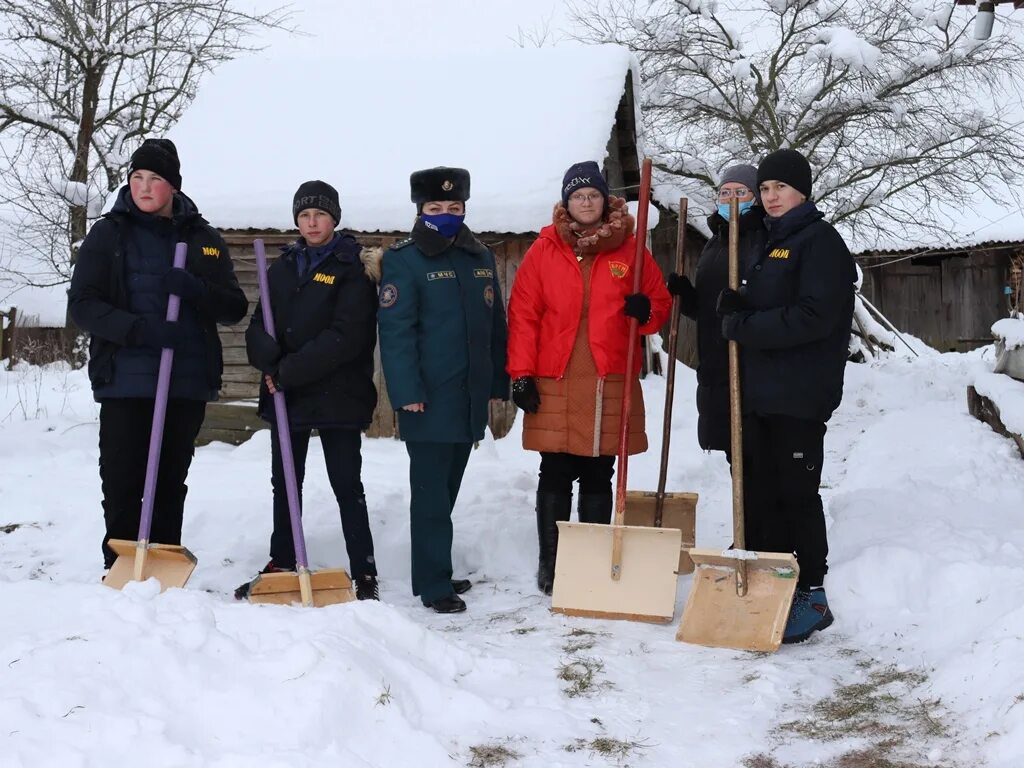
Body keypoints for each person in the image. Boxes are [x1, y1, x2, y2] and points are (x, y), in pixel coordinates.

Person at [68, 138, 248, 571]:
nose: (144, 187)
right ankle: (122, 566)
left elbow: (234, 307)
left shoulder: (202, 238)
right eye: (136, 178)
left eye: (155, 179)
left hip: (185, 378)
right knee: (122, 476)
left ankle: (163, 566)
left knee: (169, 478)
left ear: (173, 186)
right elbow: (83, 306)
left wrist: (197, 289)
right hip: (125, 378)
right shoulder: (109, 234)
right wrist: (138, 329)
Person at [506, 161, 672, 595]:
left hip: (607, 376)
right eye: (577, 196)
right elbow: (524, 315)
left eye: (592, 195)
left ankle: (592, 562)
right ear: (566, 202)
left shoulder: (631, 251)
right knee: (555, 470)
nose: (585, 202)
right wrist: (521, 373)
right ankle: (553, 562)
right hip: (555, 376)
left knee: (600, 470)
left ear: (605, 201)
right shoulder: (543, 251)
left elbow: (660, 305)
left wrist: (646, 312)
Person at [718, 148, 856, 643]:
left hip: (799, 392)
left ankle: (812, 594)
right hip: (763, 391)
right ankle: (773, 583)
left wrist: (747, 323)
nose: (772, 197)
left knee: (796, 492)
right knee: (763, 488)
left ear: (803, 192)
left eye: (781, 188)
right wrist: (739, 303)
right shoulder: (770, 241)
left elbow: (814, 316)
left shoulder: (820, 242)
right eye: (767, 188)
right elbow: (771, 301)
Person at [235, 181, 381, 602]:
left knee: (346, 482)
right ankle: (282, 559)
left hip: (337, 392)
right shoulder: (282, 267)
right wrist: (265, 357)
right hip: (287, 394)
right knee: (286, 481)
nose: (312, 222)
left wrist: (287, 371)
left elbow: (346, 335)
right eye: (304, 215)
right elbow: (260, 324)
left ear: (334, 217)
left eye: (319, 214)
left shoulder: (352, 266)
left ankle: (364, 570)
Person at [377, 167, 509, 614]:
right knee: (431, 494)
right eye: (436, 208)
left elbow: (495, 325)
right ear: (420, 209)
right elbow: (396, 334)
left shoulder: (480, 258)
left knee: (447, 490)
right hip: (427, 397)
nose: (446, 214)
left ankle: (436, 566)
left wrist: (496, 381)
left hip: (468, 396)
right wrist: (406, 392)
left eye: (454, 208)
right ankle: (433, 584)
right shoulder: (404, 260)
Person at [666, 164, 768, 547]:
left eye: (740, 192)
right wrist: (688, 297)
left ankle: (758, 537)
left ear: (755, 196)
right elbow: (712, 309)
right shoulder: (716, 240)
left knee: (754, 460)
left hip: (748, 366)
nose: (731, 200)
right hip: (715, 365)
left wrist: (743, 305)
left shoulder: (762, 238)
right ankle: (747, 533)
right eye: (725, 193)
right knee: (735, 460)